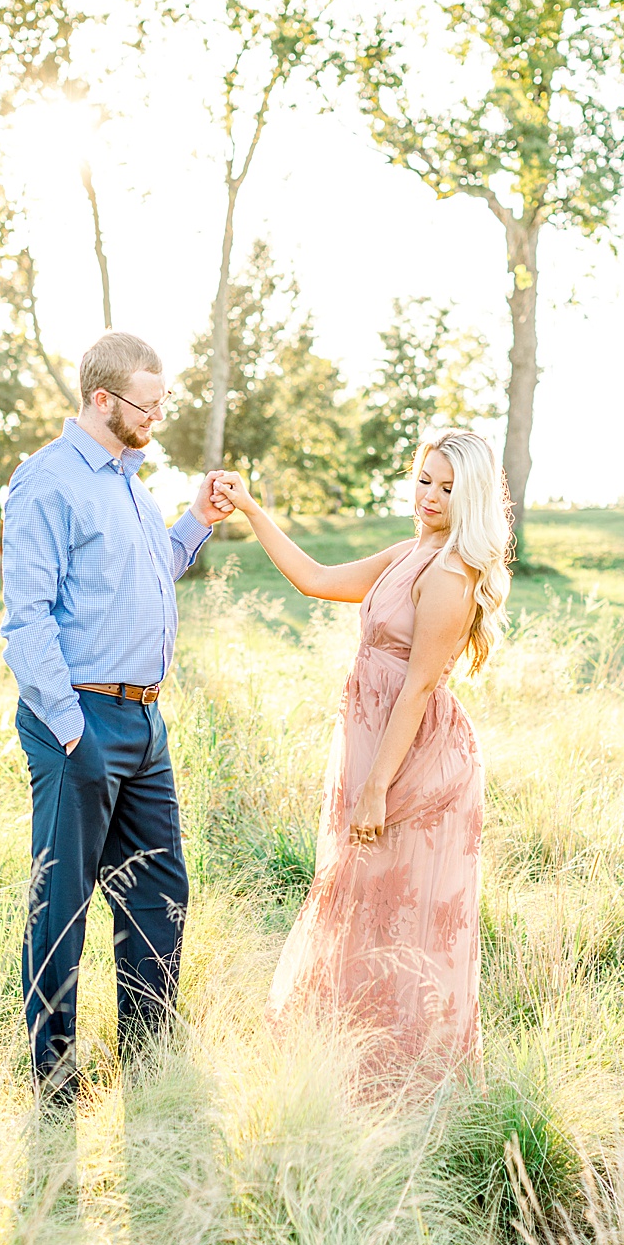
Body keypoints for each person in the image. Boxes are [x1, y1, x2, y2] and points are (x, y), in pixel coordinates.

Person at [214, 429, 511, 1080]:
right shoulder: (411, 552)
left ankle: (406, 1075)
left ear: (472, 497)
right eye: (425, 479)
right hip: (374, 744)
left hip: (413, 760)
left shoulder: (450, 574)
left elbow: (419, 687)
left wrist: (377, 787)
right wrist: (251, 508)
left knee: (401, 910)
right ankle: (350, 1058)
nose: (430, 496)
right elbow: (316, 579)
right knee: (364, 902)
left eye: (448, 488)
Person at [0, 330, 236, 1106]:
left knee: (159, 893)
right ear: (102, 399)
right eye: (146, 404)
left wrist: (196, 521)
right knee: (61, 903)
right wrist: (71, 729)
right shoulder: (48, 481)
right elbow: (26, 619)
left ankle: (150, 1064)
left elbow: (147, 574)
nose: (157, 417)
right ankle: (53, 1080)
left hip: (144, 723)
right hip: (79, 720)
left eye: (163, 402)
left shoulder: (132, 486)